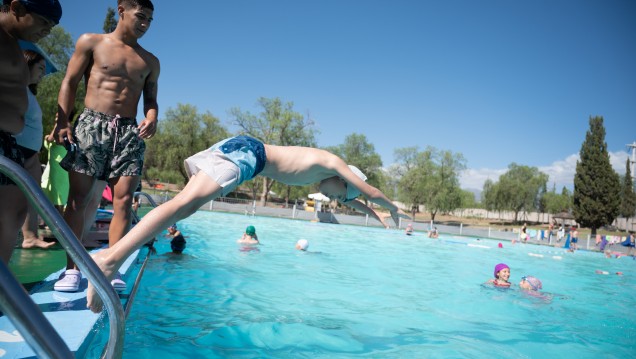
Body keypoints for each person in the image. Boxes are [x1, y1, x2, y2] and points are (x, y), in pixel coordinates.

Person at [86, 135, 409, 312]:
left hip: (245, 153)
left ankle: (112, 257)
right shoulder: (331, 162)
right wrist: (391, 205)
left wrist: (378, 216)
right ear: (342, 179)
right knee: (179, 205)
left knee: (183, 210)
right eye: (341, 195)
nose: (338, 200)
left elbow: (358, 199)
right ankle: (110, 259)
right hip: (249, 155)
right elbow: (369, 191)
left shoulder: (329, 178)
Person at [51, 0, 159, 292]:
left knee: (123, 200)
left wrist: (152, 116)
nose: (145, 23)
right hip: (91, 126)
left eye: (150, 19)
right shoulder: (92, 42)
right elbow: (70, 81)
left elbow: (150, 99)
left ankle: (112, 266)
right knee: (79, 200)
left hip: (127, 131)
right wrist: (63, 121)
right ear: (122, 10)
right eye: (141, 16)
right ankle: (71, 270)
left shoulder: (149, 61)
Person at [0, 0, 61, 264]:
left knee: (12, 216)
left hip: (9, 141)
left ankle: (3, 290)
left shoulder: (11, 41)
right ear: (17, 8)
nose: (48, 31)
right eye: (45, 22)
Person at [15, 49, 55, 249]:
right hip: (16, 151)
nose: (42, 73)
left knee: (32, 196)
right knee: (14, 196)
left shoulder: (29, 92)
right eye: (39, 68)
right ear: (26, 65)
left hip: (30, 152)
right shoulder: (16, 89)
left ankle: (30, 237)